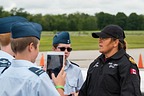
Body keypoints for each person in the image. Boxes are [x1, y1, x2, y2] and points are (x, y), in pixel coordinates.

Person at [0, 21, 66, 96]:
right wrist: (60, 86)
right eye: (38, 46)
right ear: (31, 47)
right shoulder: (38, 78)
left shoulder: (4, 74)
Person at [78, 24, 142, 96]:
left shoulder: (126, 64)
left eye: (104, 38)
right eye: (100, 38)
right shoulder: (95, 64)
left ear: (115, 42)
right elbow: (83, 92)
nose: (100, 41)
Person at [51, 31, 84, 96]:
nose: (66, 51)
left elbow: (82, 91)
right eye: (62, 49)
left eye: (69, 49)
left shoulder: (76, 70)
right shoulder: (45, 70)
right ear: (54, 49)